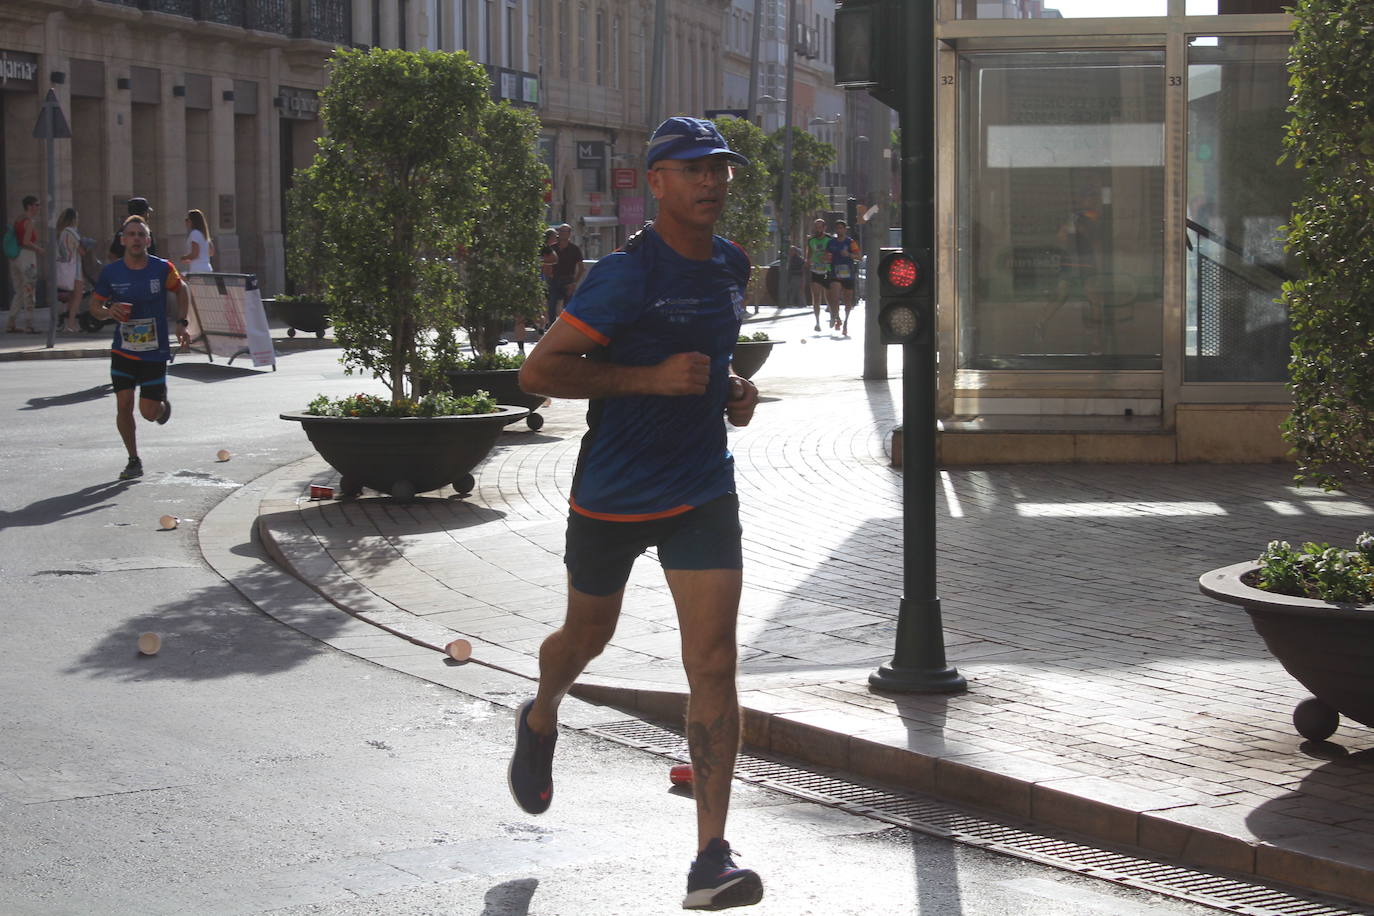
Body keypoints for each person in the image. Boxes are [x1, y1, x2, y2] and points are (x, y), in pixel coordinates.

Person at [512, 116, 763, 912]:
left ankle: (710, 859)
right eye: (693, 169)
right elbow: (540, 370)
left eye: (720, 168)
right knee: (587, 637)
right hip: (613, 493)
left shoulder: (731, 264)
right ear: (656, 183)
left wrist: (733, 393)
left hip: (701, 489)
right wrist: (650, 381)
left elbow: (712, 363)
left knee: (714, 663)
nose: (711, 182)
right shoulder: (624, 274)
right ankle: (543, 711)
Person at [90, 216, 191, 481]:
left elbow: (182, 290)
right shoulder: (111, 273)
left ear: (148, 240)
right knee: (124, 404)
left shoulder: (162, 269)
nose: (135, 239)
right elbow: (94, 307)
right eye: (131, 234)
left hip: (154, 350)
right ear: (122, 240)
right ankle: (133, 459)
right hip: (123, 349)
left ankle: (161, 408)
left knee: (148, 413)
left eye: (140, 234)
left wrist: (182, 323)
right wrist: (108, 311)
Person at [7, 195, 43, 334]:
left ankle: (11, 322)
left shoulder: (18, 220)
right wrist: (39, 249)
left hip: (15, 257)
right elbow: (26, 242)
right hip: (27, 257)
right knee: (29, 290)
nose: (38, 207)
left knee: (19, 291)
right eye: (37, 204)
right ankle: (29, 324)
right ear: (30, 206)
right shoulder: (29, 222)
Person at [825, 219, 861, 335]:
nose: (839, 230)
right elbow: (827, 255)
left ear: (845, 229)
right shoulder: (831, 242)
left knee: (847, 301)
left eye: (841, 228)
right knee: (834, 297)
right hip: (835, 273)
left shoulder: (851, 242)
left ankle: (845, 322)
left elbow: (859, 257)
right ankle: (837, 318)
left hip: (848, 274)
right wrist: (826, 258)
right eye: (837, 228)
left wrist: (849, 254)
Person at [544, 222, 584, 328]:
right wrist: (548, 275)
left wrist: (574, 283)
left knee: (568, 308)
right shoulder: (552, 248)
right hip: (554, 280)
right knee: (551, 305)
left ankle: (566, 328)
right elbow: (545, 262)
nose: (561, 234)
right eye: (560, 231)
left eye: (564, 232)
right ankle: (551, 328)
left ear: (569, 234)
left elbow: (581, 268)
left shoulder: (574, 249)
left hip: (568, 280)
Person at [55, 207, 85, 333]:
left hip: (65, 267)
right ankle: (71, 324)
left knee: (70, 297)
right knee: (77, 296)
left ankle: (65, 323)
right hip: (74, 268)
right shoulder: (71, 231)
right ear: (73, 219)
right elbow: (81, 251)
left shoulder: (61, 232)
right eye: (77, 217)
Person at [805, 218, 832, 332]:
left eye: (820, 227)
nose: (818, 229)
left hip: (827, 270)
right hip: (815, 270)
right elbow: (809, 254)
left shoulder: (830, 240)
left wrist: (827, 257)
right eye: (816, 227)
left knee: (828, 296)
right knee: (816, 297)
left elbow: (833, 254)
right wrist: (807, 262)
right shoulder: (811, 240)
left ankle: (832, 316)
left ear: (824, 228)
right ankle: (817, 322)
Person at [179, 208, 214, 273]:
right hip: (207, 268)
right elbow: (211, 252)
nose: (186, 221)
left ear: (192, 221)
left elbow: (195, 254)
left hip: (198, 270)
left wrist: (184, 258)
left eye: (187, 219)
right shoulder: (204, 234)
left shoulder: (194, 233)